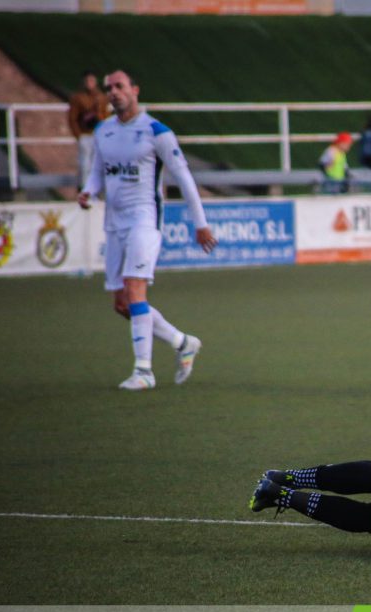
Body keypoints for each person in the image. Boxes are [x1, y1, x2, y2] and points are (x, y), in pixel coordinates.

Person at [77, 70, 217, 391]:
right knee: (122, 304)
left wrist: (201, 224)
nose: (113, 92)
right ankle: (183, 342)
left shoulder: (156, 131)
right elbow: (99, 171)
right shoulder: (103, 130)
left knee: (135, 288)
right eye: (109, 88)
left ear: (135, 90)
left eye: (119, 86)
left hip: (145, 219)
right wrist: (88, 191)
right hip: (114, 223)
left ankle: (144, 372)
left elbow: (184, 178)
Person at [67, 70, 110, 189]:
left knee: (99, 163)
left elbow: (106, 116)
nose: (90, 83)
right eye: (88, 81)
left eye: (92, 81)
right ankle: (86, 190)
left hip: (98, 134)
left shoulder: (101, 97)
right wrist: (78, 135)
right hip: (85, 134)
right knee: (85, 164)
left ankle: (98, 189)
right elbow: (73, 118)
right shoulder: (78, 98)